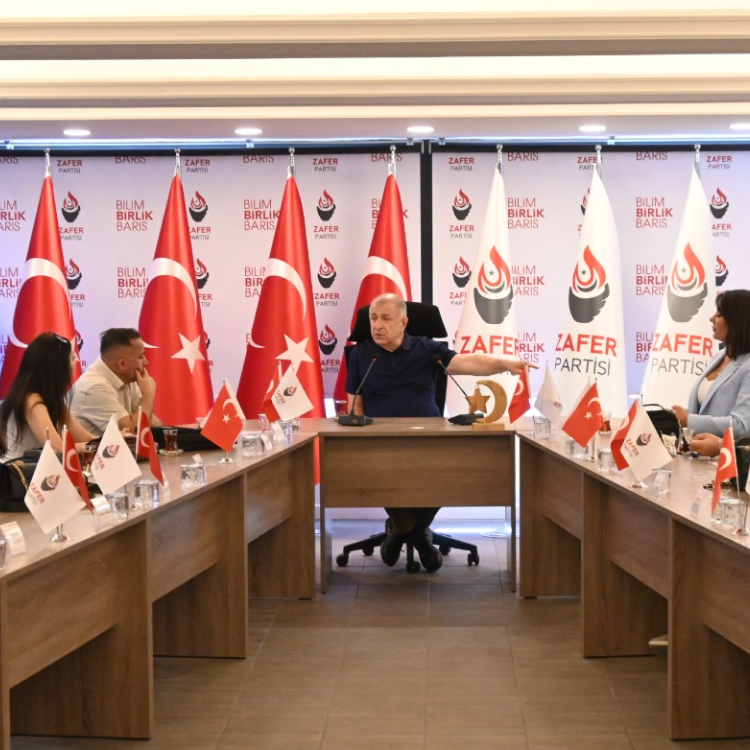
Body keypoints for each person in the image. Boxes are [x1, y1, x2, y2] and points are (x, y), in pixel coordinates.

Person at [346, 293, 534, 572]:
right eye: (373, 318)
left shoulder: (426, 349)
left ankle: (401, 531)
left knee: (447, 473)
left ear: (403, 322)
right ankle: (415, 535)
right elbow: (355, 406)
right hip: (382, 444)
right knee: (388, 479)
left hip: (429, 440)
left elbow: (469, 363)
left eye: (385, 318)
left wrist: (505, 364)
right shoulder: (362, 355)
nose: (377, 325)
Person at [672, 289, 750, 456]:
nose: (711, 318)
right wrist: (674, 416)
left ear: (737, 321)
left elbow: (742, 425)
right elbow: (707, 411)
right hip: (699, 456)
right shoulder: (719, 356)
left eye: (719, 315)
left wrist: (689, 420)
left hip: (728, 462)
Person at [0, 332, 95, 458]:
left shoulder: (51, 399)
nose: (77, 361)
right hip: (20, 469)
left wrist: (113, 440)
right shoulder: (32, 400)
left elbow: (86, 438)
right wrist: (91, 447)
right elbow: (57, 449)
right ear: (58, 367)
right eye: (72, 358)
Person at [70, 327, 158, 436]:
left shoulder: (128, 376)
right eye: (141, 357)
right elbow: (132, 432)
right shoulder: (94, 387)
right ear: (122, 364)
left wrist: (174, 432)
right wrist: (148, 393)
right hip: (90, 448)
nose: (146, 362)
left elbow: (149, 419)